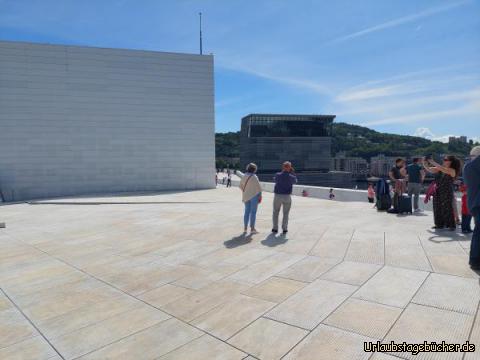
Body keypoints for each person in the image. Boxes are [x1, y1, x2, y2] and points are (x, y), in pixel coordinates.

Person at [423, 155, 462, 230]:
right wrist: (424, 163)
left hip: (446, 190)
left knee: (447, 207)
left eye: (445, 160)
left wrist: (433, 162)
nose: (444, 161)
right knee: (437, 207)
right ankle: (439, 224)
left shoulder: (452, 170)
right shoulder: (440, 168)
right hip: (437, 190)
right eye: (444, 159)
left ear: (451, 162)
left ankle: (451, 225)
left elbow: (443, 169)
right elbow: (429, 169)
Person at [465, 146, 480, 269]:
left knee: (477, 231)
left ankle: (474, 260)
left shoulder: (468, 167)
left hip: (474, 203)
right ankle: (475, 260)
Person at [272, 161, 297, 234]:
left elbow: (275, 179)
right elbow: (295, 181)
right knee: (286, 213)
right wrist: (292, 173)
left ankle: (275, 228)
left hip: (278, 196)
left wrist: (284, 171)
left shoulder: (277, 175)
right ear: (290, 167)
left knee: (275, 212)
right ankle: (284, 229)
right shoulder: (291, 176)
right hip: (287, 196)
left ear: (283, 167)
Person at [239, 163, 262, 233]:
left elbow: (241, 186)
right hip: (254, 196)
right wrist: (260, 196)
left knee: (246, 212)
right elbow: (258, 188)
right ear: (254, 169)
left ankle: (245, 228)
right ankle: (252, 229)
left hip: (246, 196)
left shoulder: (244, 176)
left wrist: (246, 191)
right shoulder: (254, 177)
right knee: (253, 212)